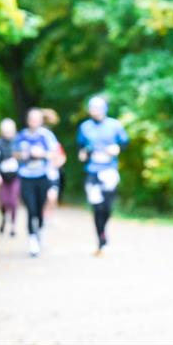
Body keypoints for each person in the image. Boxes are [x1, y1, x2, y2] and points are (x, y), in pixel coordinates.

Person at [77, 96, 128, 256]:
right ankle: (101, 240)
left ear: (104, 109)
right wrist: (83, 154)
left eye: (98, 108)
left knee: (107, 207)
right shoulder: (85, 127)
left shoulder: (114, 125)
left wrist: (117, 148)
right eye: (92, 108)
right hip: (92, 171)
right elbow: (80, 147)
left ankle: (103, 231)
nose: (95, 111)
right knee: (97, 207)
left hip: (109, 170)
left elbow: (125, 143)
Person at [15, 108, 65, 257]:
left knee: (40, 208)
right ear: (28, 120)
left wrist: (41, 154)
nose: (34, 122)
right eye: (32, 119)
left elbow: (56, 155)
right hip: (26, 177)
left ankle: (40, 231)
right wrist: (24, 155)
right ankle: (32, 240)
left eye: (37, 119)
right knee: (30, 209)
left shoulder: (47, 136)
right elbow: (14, 154)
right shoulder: (21, 136)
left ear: (41, 121)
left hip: (42, 176)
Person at [0, 118, 20, 237]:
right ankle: (3, 219)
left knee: (13, 200)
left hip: (15, 176)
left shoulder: (18, 143)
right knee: (3, 201)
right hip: (2, 176)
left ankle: (13, 226)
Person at [41, 108, 66, 213]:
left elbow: (61, 155)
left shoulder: (51, 137)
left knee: (52, 196)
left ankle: (47, 216)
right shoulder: (36, 135)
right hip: (40, 172)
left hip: (51, 171)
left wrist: (57, 162)